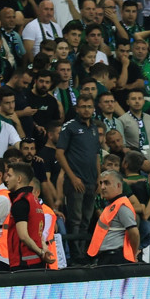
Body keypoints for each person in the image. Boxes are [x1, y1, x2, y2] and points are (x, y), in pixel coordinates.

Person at [56, 94, 99, 266]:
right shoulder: (70, 127)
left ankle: (83, 252)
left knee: (86, 219)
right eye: (83, 106)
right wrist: (72, 177)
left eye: (89, 106)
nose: (86, 109)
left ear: (93, 109)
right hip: (76, 181)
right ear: (77, 108)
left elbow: (96, 155)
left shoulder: (94, 128)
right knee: (75, 218)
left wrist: (99, 178)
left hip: (91, 181)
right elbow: (59, 153)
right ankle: (75, 255)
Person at [5, 162, 54, 270]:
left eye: (9, 175)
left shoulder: (20, 202)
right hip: (37, 261)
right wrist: (43, 250)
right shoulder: (35, 201)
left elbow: (23, 236)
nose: (6, 179)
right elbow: (38, 233)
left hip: (24, 262)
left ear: (18, 179)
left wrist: (41, 252)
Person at [87, 170, 140, 265]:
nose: (102, 187)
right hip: (107, 257)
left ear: (119, 186)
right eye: (101, 183)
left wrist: (133, 253)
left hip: (114, 258)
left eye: (106, 183)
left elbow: (134, 233)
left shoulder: (122, 206)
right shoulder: (112, 205)